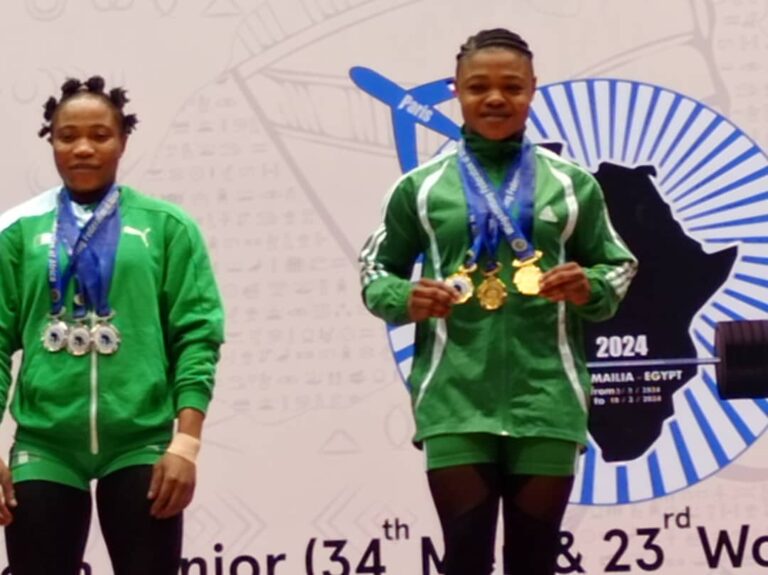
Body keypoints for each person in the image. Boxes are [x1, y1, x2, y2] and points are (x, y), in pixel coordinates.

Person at [359, 29, 637, 575]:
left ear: (532, 90)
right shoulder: (420, 187)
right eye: (478, 87)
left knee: (534, 560)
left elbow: (619, 264)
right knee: (464, 558)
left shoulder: (572, 184)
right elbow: (375, 271)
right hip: (454, 400)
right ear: (457, 91)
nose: (495, 98)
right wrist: (403, 296)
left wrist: (590, 286)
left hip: (548, 397)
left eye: (511, 87)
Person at [0, 76, 224, 574]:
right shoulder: (17, 231)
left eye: (100, 135)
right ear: (51, 141)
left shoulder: (167, 227)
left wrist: (186, 444)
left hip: (141, 443)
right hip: (45, 444)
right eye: (68, 136)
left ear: (123, 141)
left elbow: (196, 337)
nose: (83, 148)